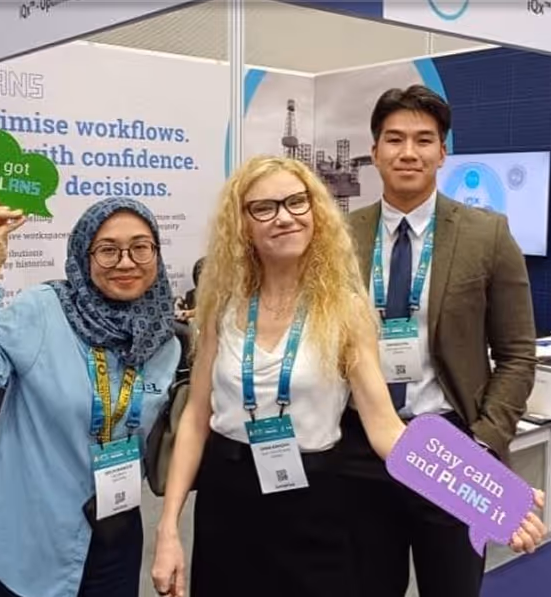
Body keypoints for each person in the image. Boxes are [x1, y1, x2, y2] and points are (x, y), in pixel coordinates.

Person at [149, 155, 410, 597]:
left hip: (315, 501)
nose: (284, 217)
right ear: (243, 224)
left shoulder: (346, 310)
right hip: (227, 499)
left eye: (295, 202)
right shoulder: (223, 304)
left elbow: (387, 429)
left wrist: (489, 495)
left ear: (315, 211)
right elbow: (195, 417)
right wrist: (168, 528)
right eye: (264, 208)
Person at [335, 85, 546, 597]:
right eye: (395, 139)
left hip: (451, 449)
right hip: (358, 449)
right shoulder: (339, 235)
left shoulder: (487, 233)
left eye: (424, 140)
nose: (409, 153)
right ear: (374, 150)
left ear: (443, 152)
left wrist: (483, 441)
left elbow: (518, 353)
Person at [0, 197, 180, 597]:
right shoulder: (44, 310)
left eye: (141, 246)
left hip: (115, 530)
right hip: (27, 537)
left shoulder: (163, 342)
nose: (126, 262)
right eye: (107, 249)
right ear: (84, 254)